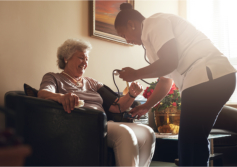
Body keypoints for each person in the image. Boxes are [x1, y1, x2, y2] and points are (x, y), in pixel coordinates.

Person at [114, 3, 237, 166]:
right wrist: (147, 106)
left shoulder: (154, 23)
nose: (127, 40)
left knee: (189, 143)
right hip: (215, 77)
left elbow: (170, 62)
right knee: (193, 141)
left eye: (124, 35)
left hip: (207, 75)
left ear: (132, 24)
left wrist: (136, 73)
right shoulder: (151, 43)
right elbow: (166, 81)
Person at [37, 38, 155, 167]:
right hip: (79, 125)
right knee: (124, 133)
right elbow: (42, 93)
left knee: (147, 132)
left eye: (87, 59)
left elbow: (117, 107)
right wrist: (61, 97)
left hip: (102, 123)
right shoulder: (54, 77)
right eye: (81, 58)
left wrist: (132, 94)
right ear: (66, 58)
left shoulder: (92, 82)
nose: (85, 63)